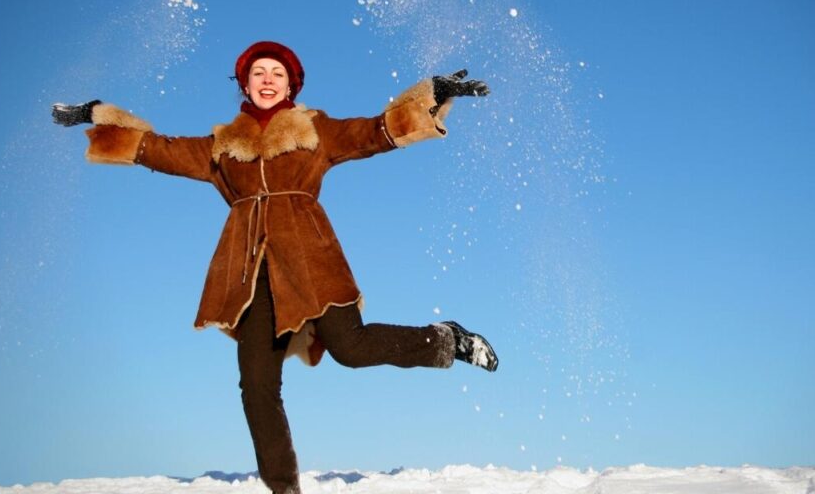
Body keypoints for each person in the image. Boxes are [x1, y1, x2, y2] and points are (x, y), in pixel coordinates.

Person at [52, 41, 498, 494]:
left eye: (277, 73)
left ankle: (447, 340)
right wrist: (96, 113)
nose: (267, 80)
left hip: (310, 262)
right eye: (258, 73)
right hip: (250, 275)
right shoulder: (222, 147)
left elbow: (375, 131)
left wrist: (433, 95)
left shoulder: (314, 131)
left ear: (291, 84)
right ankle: (283, 488)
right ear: (244, 83)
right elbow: (157, 149)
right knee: (256, 384)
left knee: (352, 348)